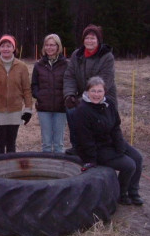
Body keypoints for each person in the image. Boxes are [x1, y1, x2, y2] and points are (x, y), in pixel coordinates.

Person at [74, 76, 143, 206]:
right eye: (93, 91)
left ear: (104, 92)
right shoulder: (82, 110)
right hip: (97, 149)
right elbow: (84, 139)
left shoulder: (109, 103)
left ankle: (133, 192)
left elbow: (116, 127)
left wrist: (120, 146)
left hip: (111, 142)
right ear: (87, 91)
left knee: (137, 158)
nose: (96, 94)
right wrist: (91, 159)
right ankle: (121, 195)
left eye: (99, 91)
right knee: (129, 165)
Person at [63, 24, 117, 155]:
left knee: (95, 123)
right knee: (71, 110)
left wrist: (84, 99)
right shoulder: (77, 55)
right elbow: (69, 76)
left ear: (98, 40)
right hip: (83, 97)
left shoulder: (106, 56)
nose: (89, 41)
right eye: (87, 38)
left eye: (93, 38)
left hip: (102, 97)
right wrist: (70, 95)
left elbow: (104, 81)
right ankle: (77, 146)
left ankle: (100, 150)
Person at [0, 34, 32, 154]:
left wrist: (28, 109)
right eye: (3, 46)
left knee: (11, 143)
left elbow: (26, 89)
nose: (5, 49)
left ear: (14, 48)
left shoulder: (22, 67)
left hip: (15, 111)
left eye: (8, 46)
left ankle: (11, 169)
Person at [31, 34, 68, 152]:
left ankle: (59, 169)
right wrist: (39, 95)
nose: (49, 48)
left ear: (58, 47)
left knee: (58, 144)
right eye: (47, 45)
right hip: (44, 108)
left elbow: (70, 83)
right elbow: (34, 85)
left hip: (61, 108)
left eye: (52, 45)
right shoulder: (38, 65)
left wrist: (66, 98)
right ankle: (45, 168)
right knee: (46, 143)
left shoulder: (66, 64)